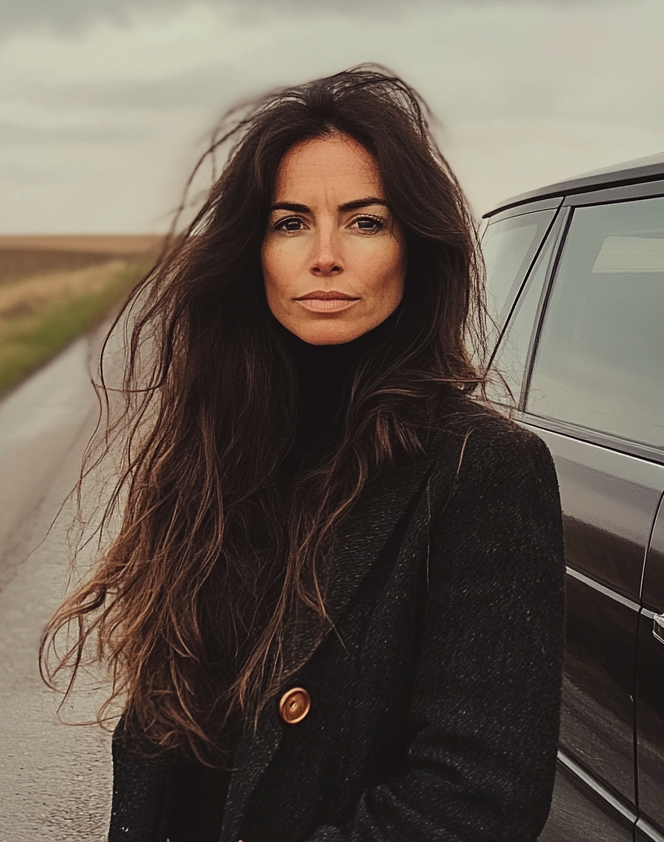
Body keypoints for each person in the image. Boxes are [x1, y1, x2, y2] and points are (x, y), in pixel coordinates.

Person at [41, 66, 564, 842]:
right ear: (253, 253)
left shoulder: (481, 468)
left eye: (364, 221)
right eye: (290, 223)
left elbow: (475, 800)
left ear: (413, 248)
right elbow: (168, 728)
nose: (324, 255)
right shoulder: (216, 443)